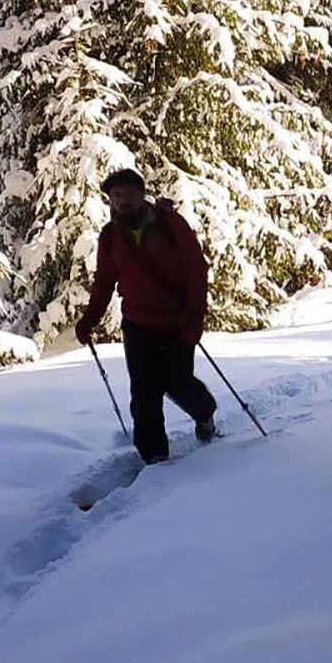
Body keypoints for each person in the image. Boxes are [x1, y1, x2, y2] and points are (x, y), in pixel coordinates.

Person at [75, 169, 218, 463]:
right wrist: (89, 319)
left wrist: (194, 315)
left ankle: (204, 412)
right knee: (144, 394)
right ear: (110, 201)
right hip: (138, 325)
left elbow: (195, 269)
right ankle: (154, 458)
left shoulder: (169, 223)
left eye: (129, 193)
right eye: (116, 195)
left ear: (142, 194)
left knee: (178, 382)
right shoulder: (110, 237)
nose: (123, 200)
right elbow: (104, 281)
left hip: (177, 321)